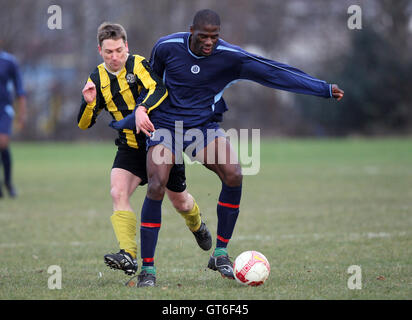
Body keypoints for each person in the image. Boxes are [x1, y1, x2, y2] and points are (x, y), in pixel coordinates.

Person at [112, 9, 344, 286]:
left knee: (234, 172)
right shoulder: (165, 47)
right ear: (191, 31)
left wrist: (323, 89)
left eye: (214, 37)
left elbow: (274, 72)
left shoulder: (231, 57)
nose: (209, 42)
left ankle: (220, 253)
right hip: (165, 127)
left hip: (202, 128)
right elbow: (151, 84)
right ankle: (147, 271)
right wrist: (140, 111)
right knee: (157, 185)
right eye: (203, 37)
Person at [77, 22, 212, 282]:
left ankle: (197, 224)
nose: (115, 57)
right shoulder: (96, 79)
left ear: (126, 46)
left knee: (180, 202)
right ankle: (128, 253)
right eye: (108, 52)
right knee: (117, 191)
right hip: (129, 147)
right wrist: (89, 103)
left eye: (118, 50)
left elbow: (159, 89)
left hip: (159, 142)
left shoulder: (138, 65)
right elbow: (84, 123)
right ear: (99, 51)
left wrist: (141, 110)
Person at [0, 44, 27, 198]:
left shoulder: (9, 62)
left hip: (4, 109)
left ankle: (8, 182)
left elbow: (20, 90)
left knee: (2, 142)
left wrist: (22, 114)